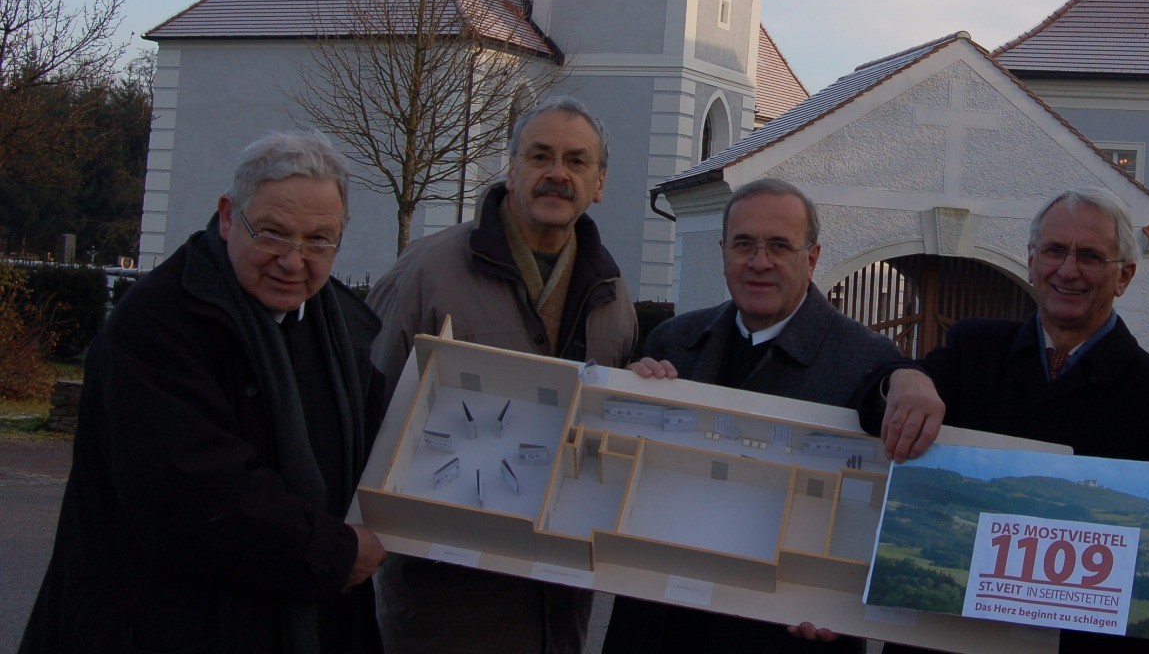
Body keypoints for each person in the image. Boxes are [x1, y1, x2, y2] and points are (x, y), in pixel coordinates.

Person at [22, 131, 388, 654]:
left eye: (318, 240)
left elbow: (383, 453)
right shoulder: (155, 325)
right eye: (272, 233)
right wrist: (335, 554)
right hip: (156, 629)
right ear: (226, 216)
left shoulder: (341, 329)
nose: (293, 259)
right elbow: (195, 498)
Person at [366, 95, 638, 654]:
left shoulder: (612, 296)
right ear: (511, 171)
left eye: (576, 161)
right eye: (540, 157)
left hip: (559, 608)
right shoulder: (426, 274)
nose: (557, 174)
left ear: (600, 183)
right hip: (446, 605)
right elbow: (363, 412)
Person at [601, 177, 903, 654]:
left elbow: (884, 512)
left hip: (787, 634)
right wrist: (626, 404)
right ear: (723, 251)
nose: (759, 262)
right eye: (744, 244)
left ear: (813, 257)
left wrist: (846, 597)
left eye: (779, 246)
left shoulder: (870, 362)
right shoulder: (672, 343)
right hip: (660, 625)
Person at [866, 186, 1149, 653]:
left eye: (1090, 256)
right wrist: (905, 377)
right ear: (1031, 260)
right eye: (1053, 251)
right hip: (942, 633)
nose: (1067, 271)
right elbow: (871, 407)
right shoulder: (974, 348)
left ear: (1124, 276)